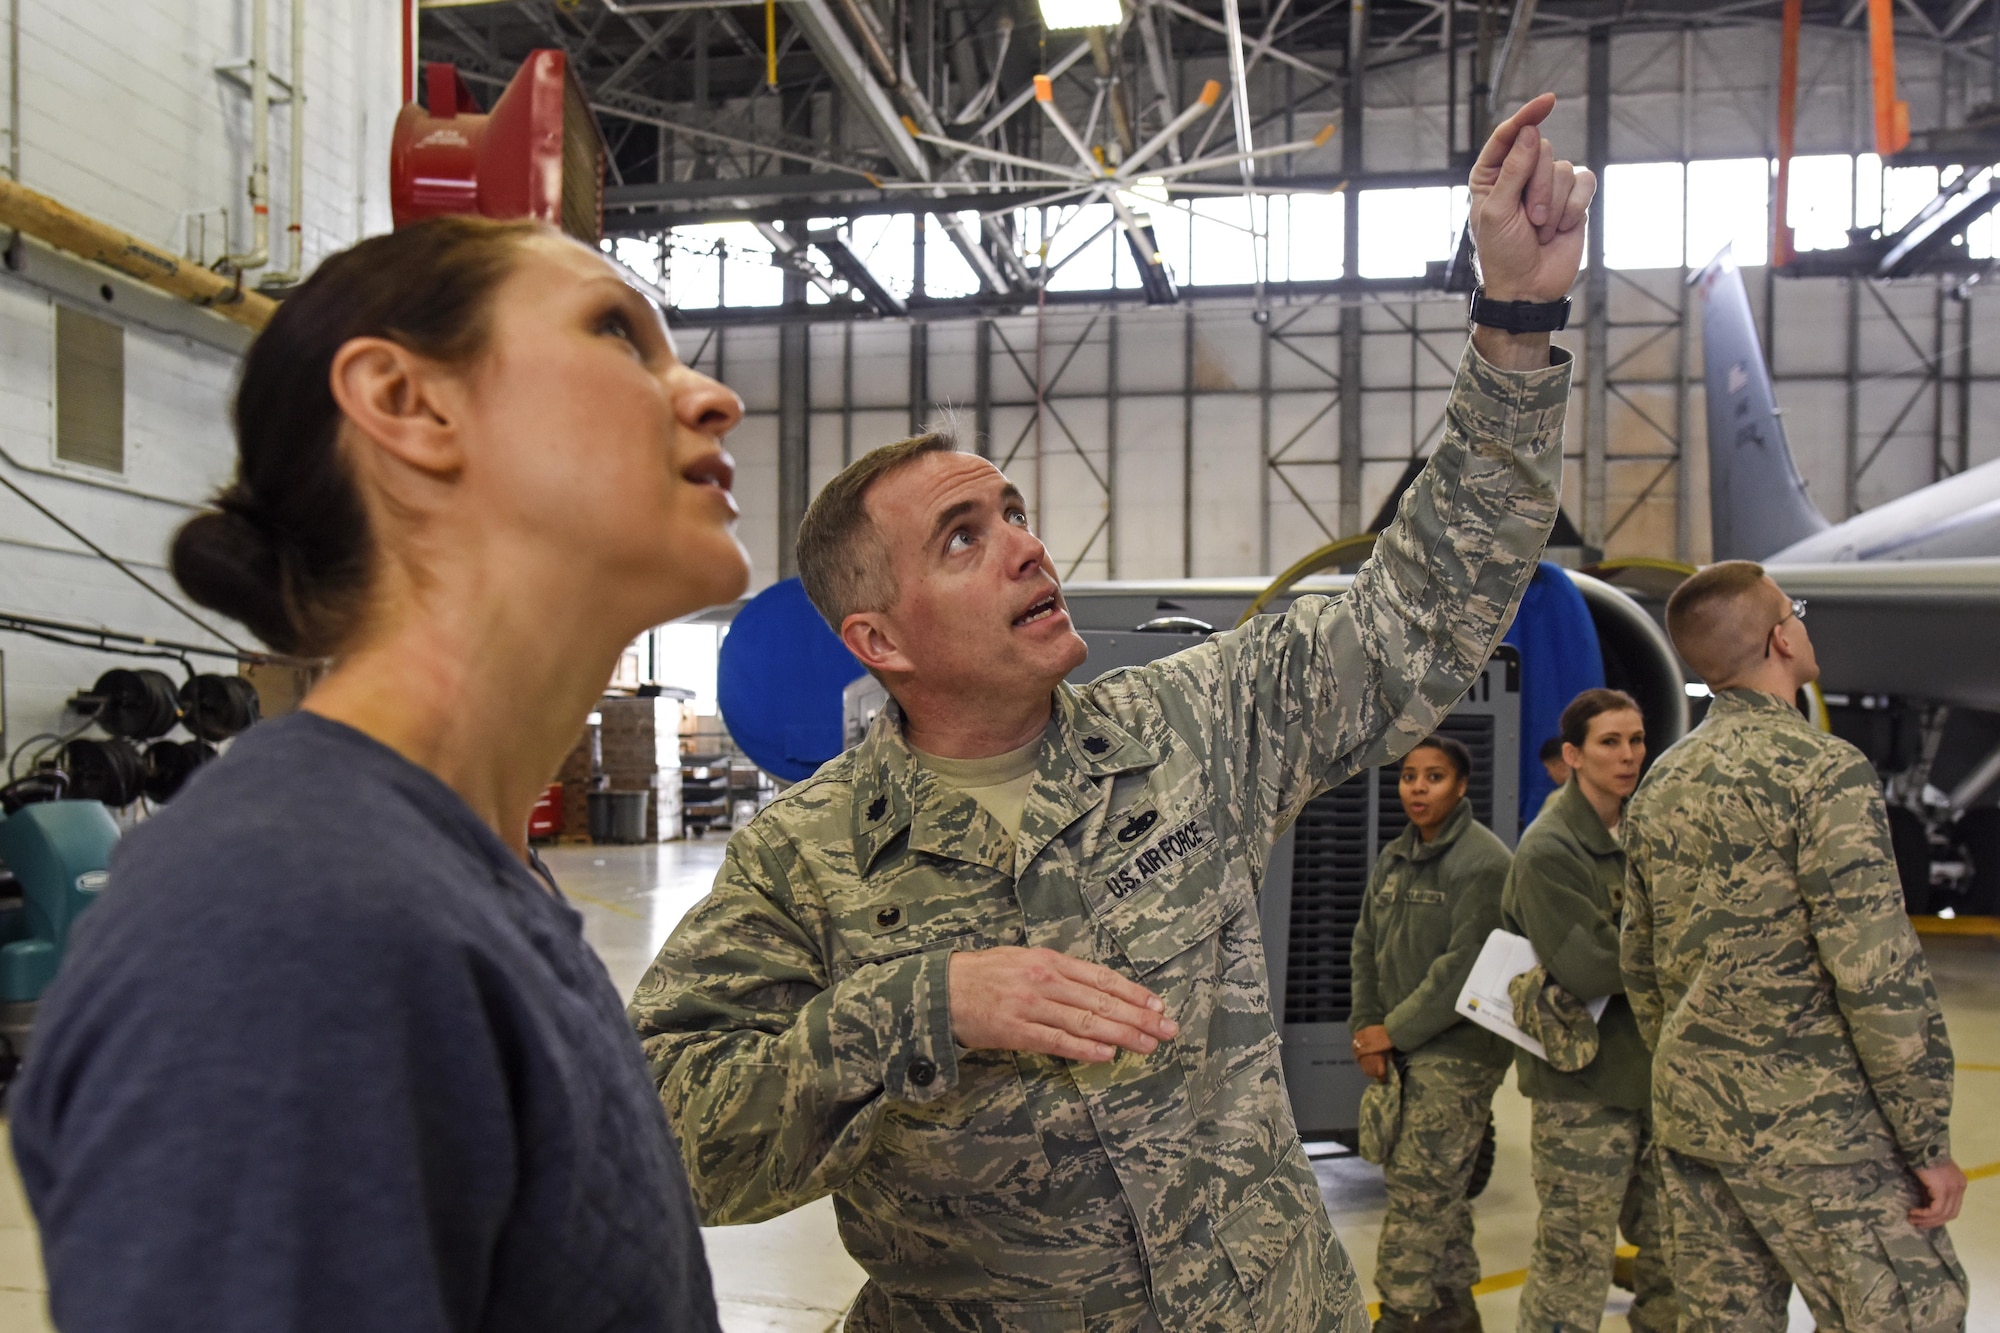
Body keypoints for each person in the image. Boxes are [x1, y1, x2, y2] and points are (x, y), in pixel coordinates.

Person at [630, 92, 1593, 1333]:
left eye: (1016, 514)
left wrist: (1514, 321)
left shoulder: (1192, 725)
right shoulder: (803, 861)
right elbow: (661, 1128)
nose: (1029, 549)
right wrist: (921, 1008)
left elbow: (1423, 605)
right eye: (965, 540)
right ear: (877, 641)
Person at [9, 216, 748, 1332]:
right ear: (407, 405)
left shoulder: (454, 878)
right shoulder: (288, 916)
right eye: (617, 333)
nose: (709, 395)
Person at [1621, 560, 1966, 1333]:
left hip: (1697, 1124)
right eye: (1796, 610)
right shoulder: (1824, 774)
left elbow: (1640, 964)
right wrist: (1924, 1137)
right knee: (1912, 1314)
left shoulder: (1662, 782)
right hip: (1821, 1132)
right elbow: (1874, 970)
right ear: (1782, 637)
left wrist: (1701, 1072)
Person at [1501, 688, 1673, 1333]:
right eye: (1610, 742)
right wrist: (1676, 940)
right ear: (1572, 755)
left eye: (1636, 741)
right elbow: (1590, 967)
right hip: (1583, 1089)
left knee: (1672, 1252)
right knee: (1575, 1258)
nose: (1628, 757)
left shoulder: (1642, 830)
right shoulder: (1550, 848)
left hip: (1650, 1077)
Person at [1349, 736, 1514, 1333]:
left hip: (1459, 1054)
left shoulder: (1484, 863)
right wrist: (1366, 1027)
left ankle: (1403, 1315)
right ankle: (1451, 1311)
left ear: (1462, 786)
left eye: (1434, 777)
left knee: (1420, 1195)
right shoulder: (1395, 857)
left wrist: (1388, 1032)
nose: (1417, 789)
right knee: (1432, 1193)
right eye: (1409, 777)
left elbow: (1462, 970)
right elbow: (1365, 945)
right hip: (1400, 1049)